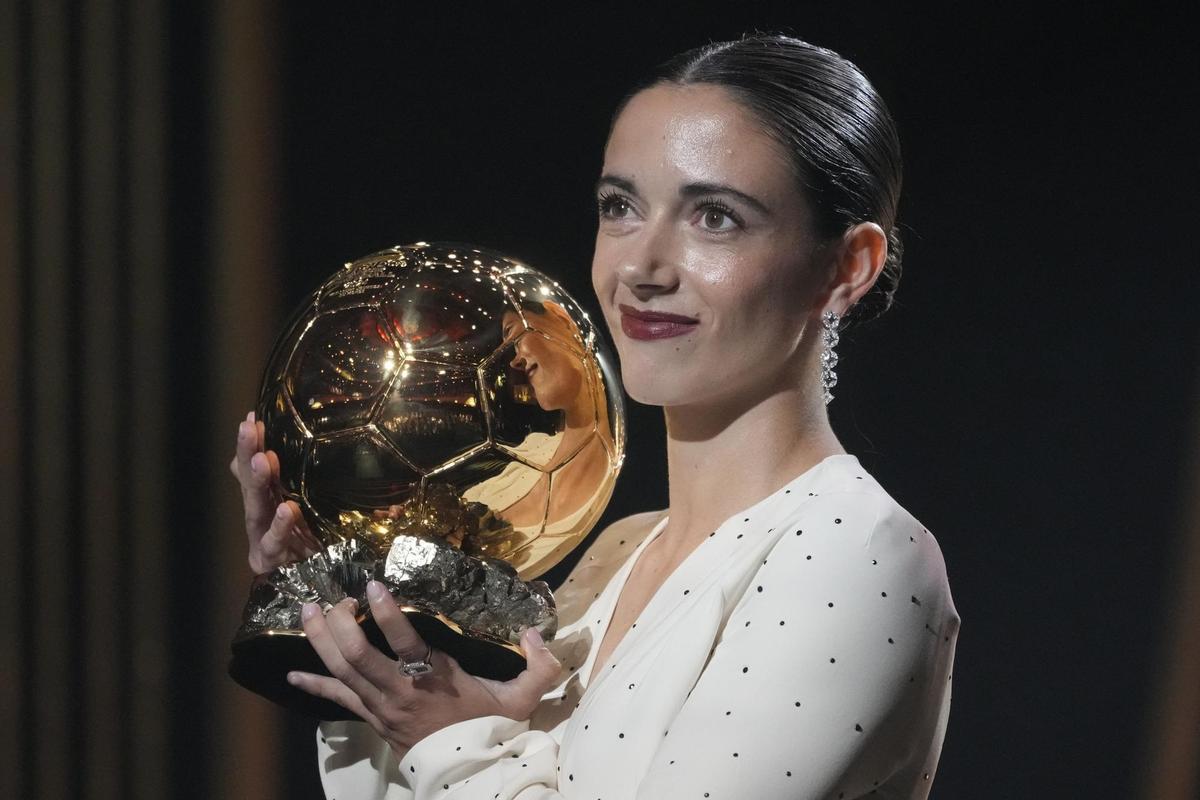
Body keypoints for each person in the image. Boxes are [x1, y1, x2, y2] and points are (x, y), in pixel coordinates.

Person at [230, 33, 960, 799]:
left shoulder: (858, 549)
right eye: (621, 208)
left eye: (716, 218)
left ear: (849, 267)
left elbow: (459, 762)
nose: (642, 268)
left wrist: (449, 740)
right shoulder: (618, 550)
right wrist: (344, 604)